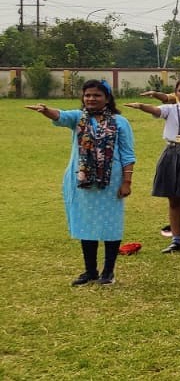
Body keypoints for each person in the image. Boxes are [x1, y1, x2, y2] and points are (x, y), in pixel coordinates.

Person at [29, 81, 136, 285]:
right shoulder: (78, 119)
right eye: (87, 95)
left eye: (96, 95)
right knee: (87, 224)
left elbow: (128, 154)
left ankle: (108, 272)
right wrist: (45, 110)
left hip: (111, 182)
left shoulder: (120, 122)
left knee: (111, 224)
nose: (91, 99)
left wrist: (127, 182)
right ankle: (90, 271)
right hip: (82, 180)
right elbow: (60, 116)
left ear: (107, 98)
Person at [127, 78, 180, 253]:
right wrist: (141, 106)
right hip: (172, 152)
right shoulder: (170, 109)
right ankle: (176, 240)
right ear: (175, 92)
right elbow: (156, 110)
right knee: (173, 199)